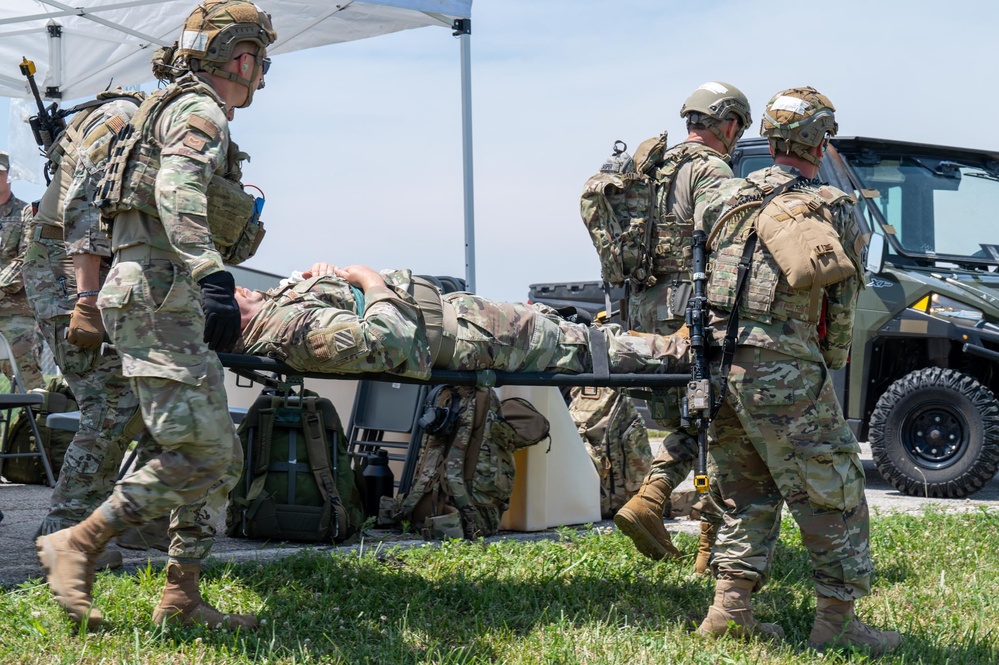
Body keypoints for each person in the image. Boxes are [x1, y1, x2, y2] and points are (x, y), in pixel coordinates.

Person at [36, 0, 275, 631]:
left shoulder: (164, 107)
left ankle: (181, 597)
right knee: (200, 452)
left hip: (160, 294)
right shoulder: (198, 110)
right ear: (243, 58)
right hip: (161, 293)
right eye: (260, 60)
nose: (260, 73)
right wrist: (213, 274)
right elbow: (176, 190)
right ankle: (78, 542)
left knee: (213, 454)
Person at [695, 87, 901, 655]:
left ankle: (728, 610)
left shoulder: (726, 199)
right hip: (783, 369)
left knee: (744, 487)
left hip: (716, 363)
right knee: (833, 489)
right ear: (820, 138)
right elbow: (841, 301)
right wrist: (825, 370)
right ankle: (839, 625)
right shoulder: (833, 205)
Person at [21, 90, 169, 564]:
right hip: (66, 268)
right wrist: (86, 302)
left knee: (156, 396)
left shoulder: (164, 131)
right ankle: (66, 531)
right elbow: (83, 217)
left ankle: (136, 523)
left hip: (109, 272)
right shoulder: (125, 121)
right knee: (111, 400)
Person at [614, 82, 750, 571]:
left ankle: (652, 502)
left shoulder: (656, 166)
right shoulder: (712, 170)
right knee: (717, 419)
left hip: (644, 311)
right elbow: (727, 239)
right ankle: (707, 549)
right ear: (729, 125)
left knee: (688, 418)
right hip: (688, 310)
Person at [233, 263, 691, 378]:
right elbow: (386, 341)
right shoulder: (289, 333)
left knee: (573, 333)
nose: (239, 287)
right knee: (581, 346)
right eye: (229, 293)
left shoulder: (276, 313)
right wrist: (367, 280)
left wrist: (321, 279)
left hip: (464, 318)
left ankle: (668, 346)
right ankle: (680, 353)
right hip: (469, 334)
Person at [0, 151, 44, 391]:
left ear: (9, 176)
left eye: (0, 173)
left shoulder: (26, 213)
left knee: (29, 388)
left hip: (14, 314)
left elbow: (28, 258)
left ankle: (34, 426)